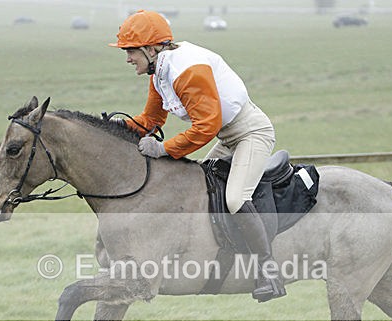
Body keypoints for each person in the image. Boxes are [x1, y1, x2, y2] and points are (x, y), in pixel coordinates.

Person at [109, 10, 285, 302]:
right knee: (200, 190)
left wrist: (163, 149)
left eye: (130, 51)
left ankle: (269, 272)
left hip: (251, 134)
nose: (127, 58)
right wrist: (118, 129)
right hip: (228, 138)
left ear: (151, 48)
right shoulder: (160, 73)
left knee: (235, 199)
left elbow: (207, 126)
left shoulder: (186, 70)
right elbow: (151, 119)